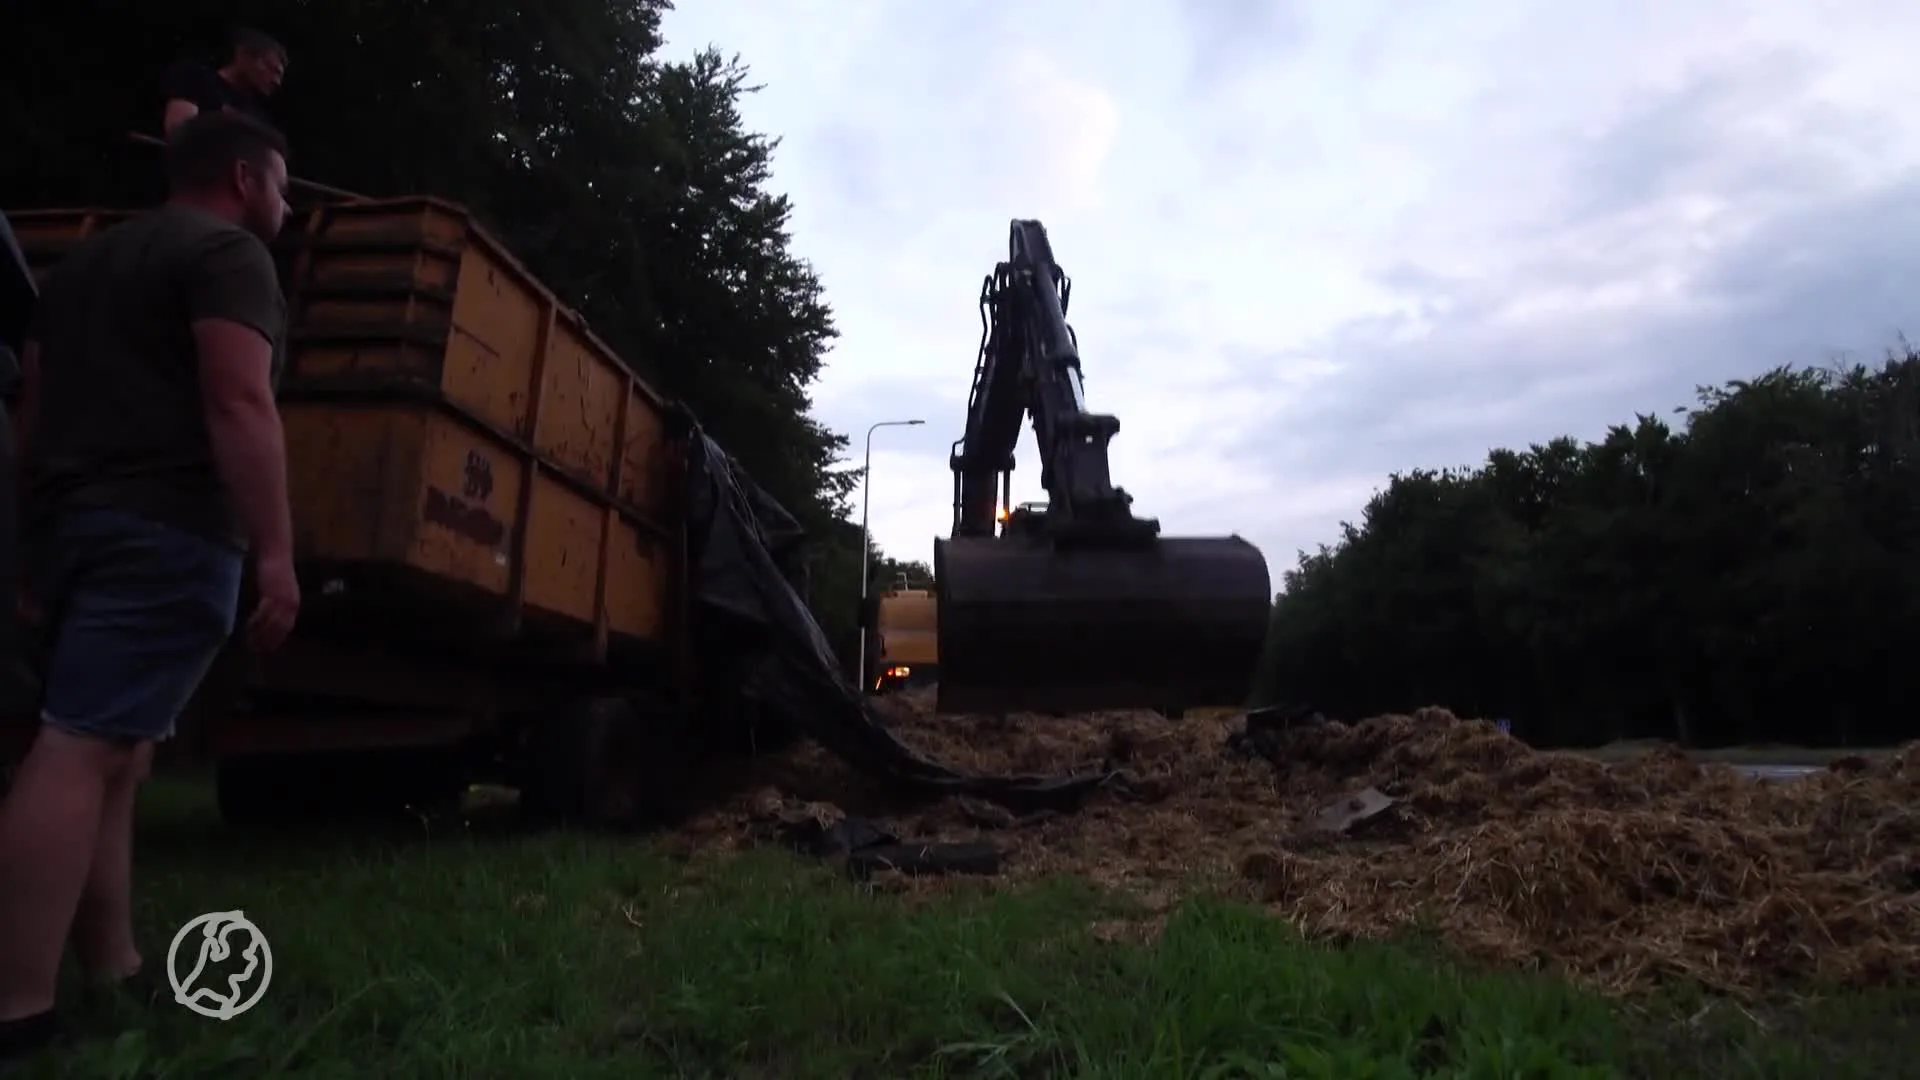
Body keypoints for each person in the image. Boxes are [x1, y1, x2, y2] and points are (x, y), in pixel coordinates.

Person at [0, 110, 302, 1061]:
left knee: (118, 754)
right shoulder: (228, 255)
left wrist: (34, 547)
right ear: (245, 178)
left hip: (75, 525)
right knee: (79, 749)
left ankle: (115, 966)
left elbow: (33, 410)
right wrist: (278, 553)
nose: (287, 203)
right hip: (166, 529)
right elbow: (238, 400)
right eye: (284, 185)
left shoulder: (85, 265)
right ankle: (17, 1008)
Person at [160, 28, 287, 135]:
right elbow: (179, 133)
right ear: (243, 55)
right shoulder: (195, 77)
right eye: (272, 69)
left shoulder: (259, 118)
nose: (277, 82)